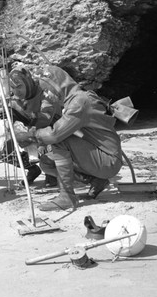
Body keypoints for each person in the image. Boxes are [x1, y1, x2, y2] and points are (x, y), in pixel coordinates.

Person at [15, 65, 123, 211]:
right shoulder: (73, 101)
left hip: (108, 160)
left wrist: (31, 136)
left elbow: (55, 134)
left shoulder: (80, 102)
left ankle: (67, 197)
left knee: (59, 139)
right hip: (101, 156)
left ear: (57, 85)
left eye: (48, 90)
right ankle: (96, 180)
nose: (47, 95)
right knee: (47, 163)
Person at [0, 67, 60, 186]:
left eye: (19, 86)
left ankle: (53, 171)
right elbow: (14, 125)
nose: (16, 91)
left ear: (28, 82)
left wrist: (20, 116)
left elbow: (45, 119)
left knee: (47, 147)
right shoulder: (15, 99)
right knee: (4, 151)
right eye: (13, 88)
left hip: (55, 132)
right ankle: (32, 169)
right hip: (30, 135)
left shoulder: (46, 92)